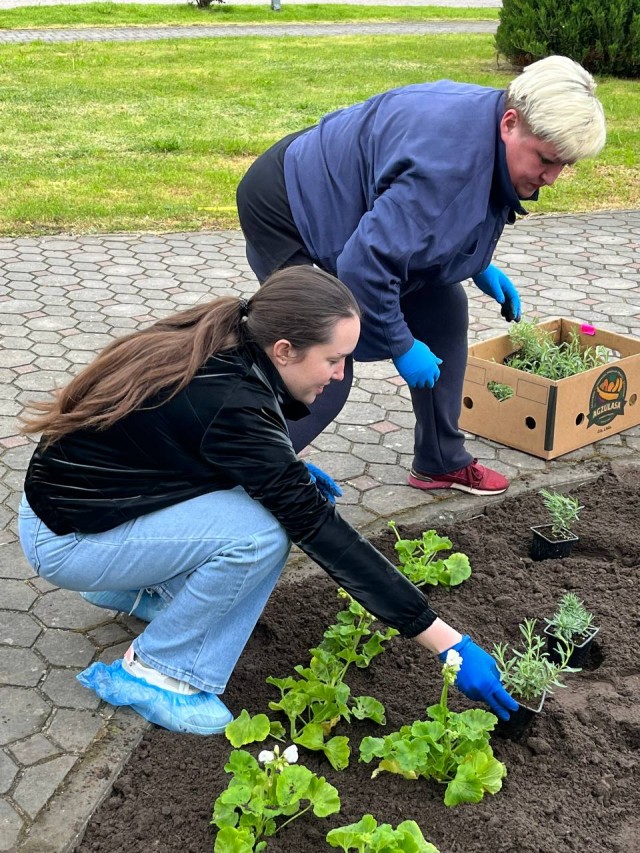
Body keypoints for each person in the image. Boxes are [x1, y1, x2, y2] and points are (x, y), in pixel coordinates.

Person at [18, 267, 517, 736]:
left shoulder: (232, 336)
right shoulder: (231, 398)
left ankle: (142, 591)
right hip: (70, 539)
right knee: (261, 534)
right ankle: (159, 671)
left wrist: (280, 470)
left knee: (259, 505)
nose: (340, 374)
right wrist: (445, 642)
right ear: (284, 350)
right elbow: (322, 533)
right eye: (334, 359)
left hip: (86, 510)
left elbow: (180, 446)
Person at [237, 55, 606, 495]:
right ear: (510, 123)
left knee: (444, 308)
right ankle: (240, 480)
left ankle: (440, 460)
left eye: (565, 164)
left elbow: (432, 221)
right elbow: (365, 266)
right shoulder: (448, 167)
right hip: (286, 203)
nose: (553, 178)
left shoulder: (497, 124)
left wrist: (474, 262)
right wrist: (401, 344)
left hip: (350, 204)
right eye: (546, 159)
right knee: (324, 349)